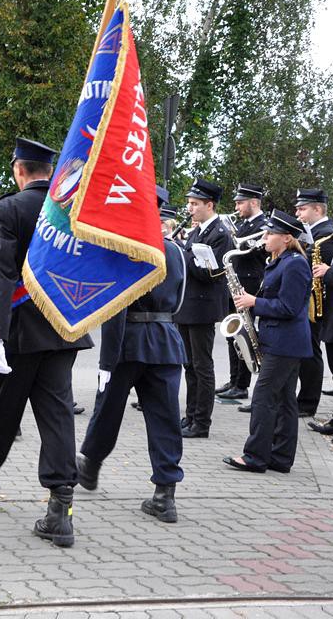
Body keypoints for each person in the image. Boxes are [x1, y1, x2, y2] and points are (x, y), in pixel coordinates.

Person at [0, 138, 93, 549]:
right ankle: (60, 509)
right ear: (50, 169)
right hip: (64, 326)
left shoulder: (9, 209)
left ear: (18, 170)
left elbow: (2, 274)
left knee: (2, 411)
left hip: (18, 330)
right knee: (57, 415)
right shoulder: (73, 208)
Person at [77, 186, 187, 522]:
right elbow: (179, 300)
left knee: (107, 411)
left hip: (127, 343)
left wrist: (107, 361)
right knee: (166, 419)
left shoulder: (122, 248)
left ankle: (90, 466)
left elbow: (115, 307)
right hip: (166, 340)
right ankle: (165, 494)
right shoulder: (175, 250)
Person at [224, 210, 311, 472]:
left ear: (286, 238)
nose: (265, 237)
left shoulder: (294, 263)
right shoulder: (280, 260)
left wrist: (255, 302)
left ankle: (255, 457)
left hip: (285, 343)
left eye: (270, 233)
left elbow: (290, 307)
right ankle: (281, 458)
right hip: (282, 340)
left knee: (263, 397)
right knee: (284, 400)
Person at [174, 178, 233, 438]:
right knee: (189, 365)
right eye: (189, 203)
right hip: (188, 306)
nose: (190, 209)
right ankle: (190, 416)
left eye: (195, 204)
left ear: (209, 205)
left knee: (202, 366)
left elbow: (211, 273)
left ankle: (202, 422)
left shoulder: (220, 234)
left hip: (202, 308)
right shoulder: (198, 232)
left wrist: (180, 253)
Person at [216, 184, 268, 403]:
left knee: (245, 333)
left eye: (240, 202)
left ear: (253, 202)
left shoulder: (263, 225)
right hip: (235, 283)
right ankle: (234, 378)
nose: (236, 206)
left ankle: (242, 384)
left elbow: (257, 255)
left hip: (249, 284)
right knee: (233, 335)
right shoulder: (244, 223)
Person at [291, 188, 333, 418]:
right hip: (310, 301)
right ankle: (304, 400)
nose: (298, 213)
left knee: (311, 353)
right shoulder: (311, 233)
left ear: (318, 209)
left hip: (321, 305)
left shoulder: (327, 235)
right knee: (307, 351)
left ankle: (308, 403)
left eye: (302, 208)